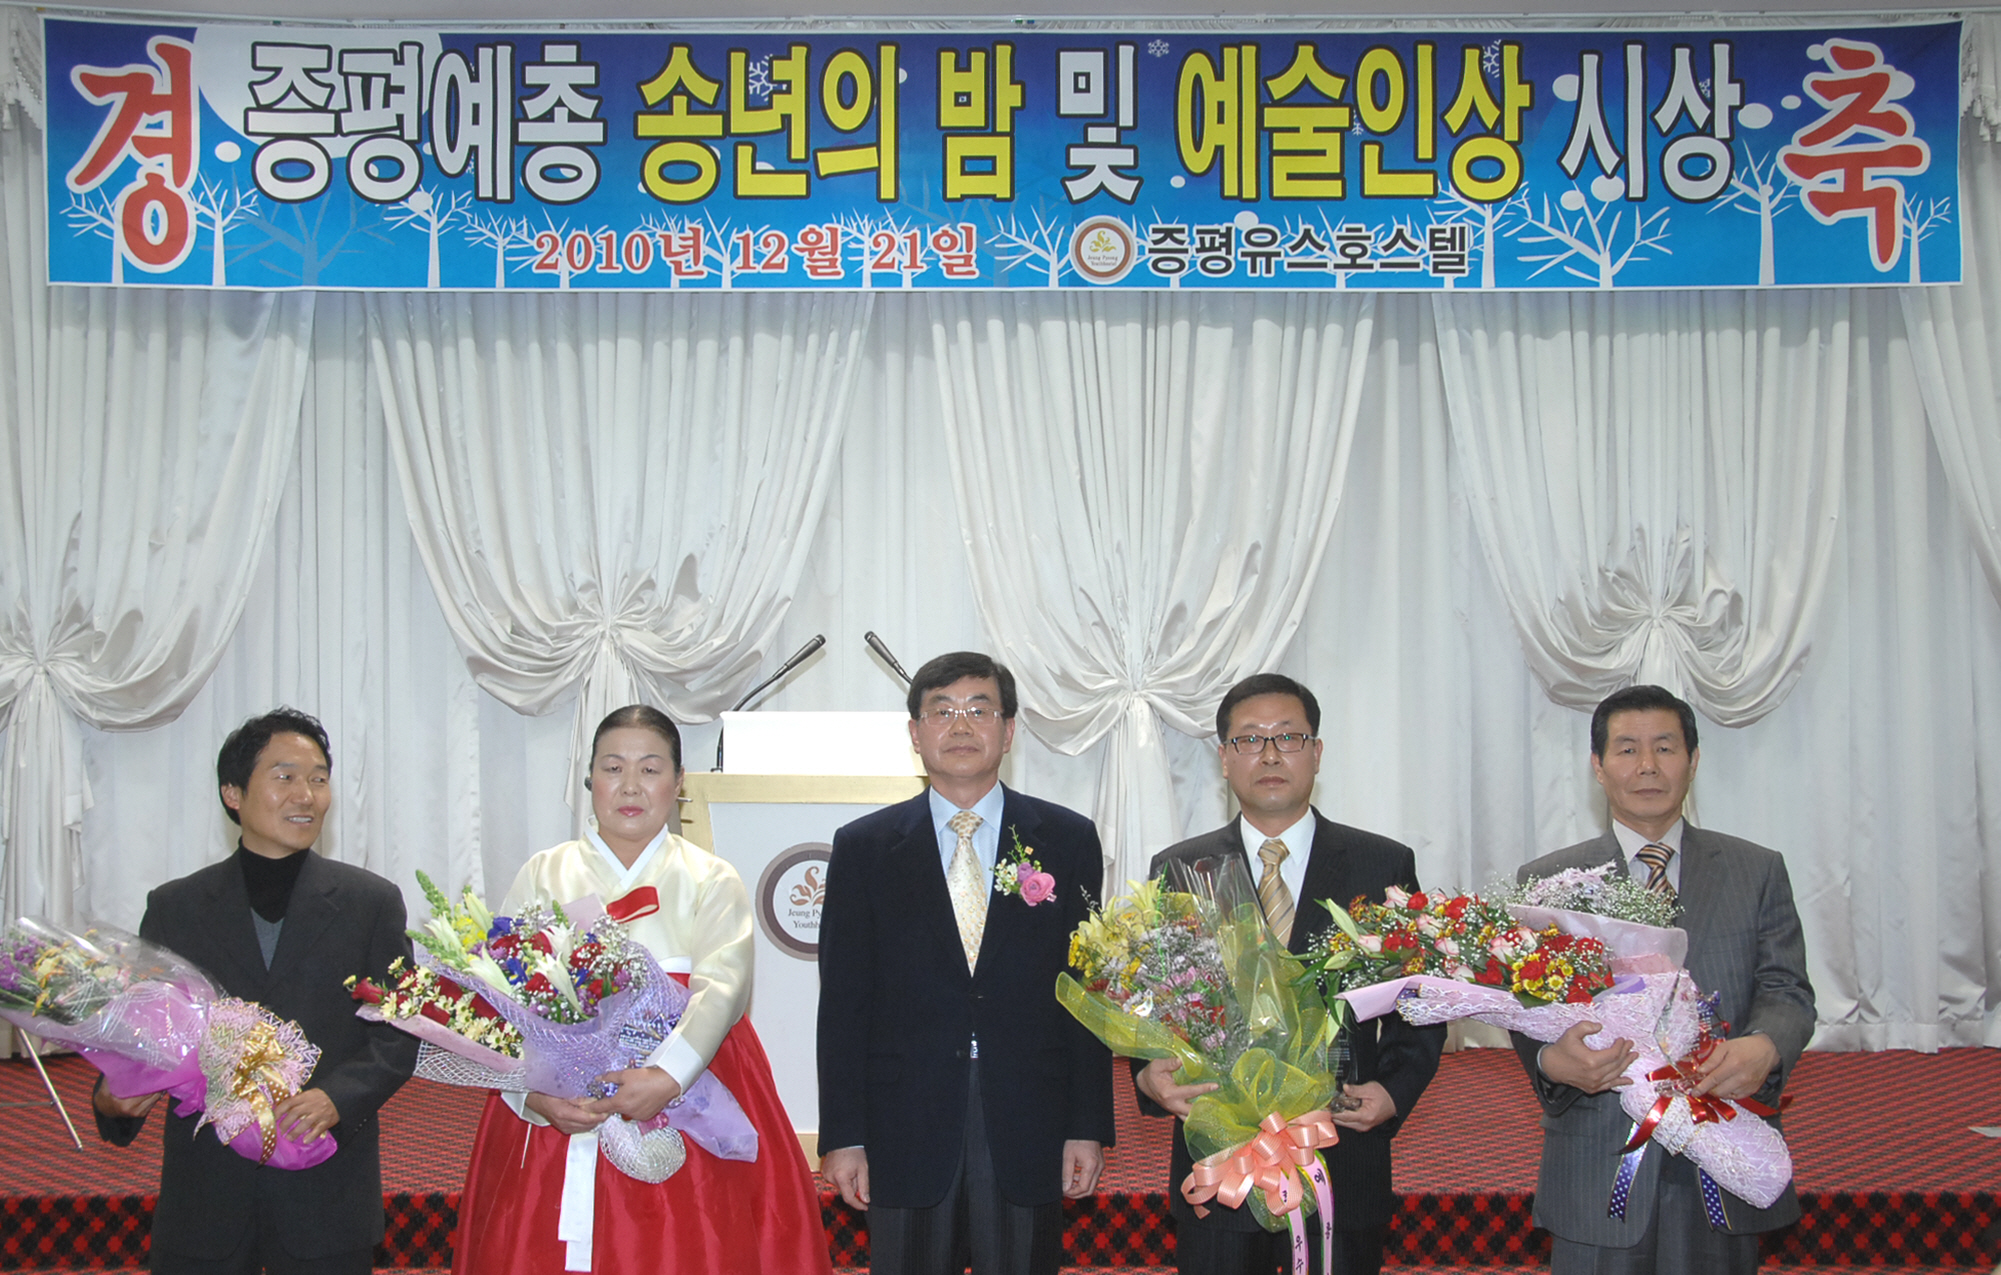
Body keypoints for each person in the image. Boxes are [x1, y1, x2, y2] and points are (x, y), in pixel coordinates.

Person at [451, 704, 832, 1275]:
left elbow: (723, 988)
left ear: (679, 783)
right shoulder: (543, 872)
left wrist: (667, 1077)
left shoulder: (710, 877)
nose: (630, 786)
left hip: (692, 1089)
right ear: (589, 779)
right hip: (562, 1108)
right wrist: (535, 1096)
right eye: (613, 768)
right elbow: (504, 1000)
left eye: (650, 769)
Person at [816, 651, 1116, 1275]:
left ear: (1008, 731)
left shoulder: (1067, 839)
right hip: (904, 1122)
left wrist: (1086, 1124)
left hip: (1029, 1117)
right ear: (914, 733)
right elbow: (844, 1004)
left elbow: (1087, 994)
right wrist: (843, 1135)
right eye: (941, 711)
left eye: (980, 710)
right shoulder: (864, 847)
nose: (960, 726)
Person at [1137, 673, 1445, 1275]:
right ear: (1224, 758)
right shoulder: (1180, 869)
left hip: (1341, 1149)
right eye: (1250, 739)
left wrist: (1394, 1089)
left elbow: (1421, 1000)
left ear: (1317, 752)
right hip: (1220, 1158)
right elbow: (1150, 1001)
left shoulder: (1380, 864)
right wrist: (1148, 1075)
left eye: (1289, 737)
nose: (1271, 754)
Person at [91, 708, 418, 1275]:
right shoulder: (174, 907)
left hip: (324, 1186)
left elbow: (399, 1030)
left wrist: (337, 1098)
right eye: (285, 776)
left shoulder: (371, 902)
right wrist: (112, 1100)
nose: (307, 795)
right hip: (207, 1194)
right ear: (233, 793)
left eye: (319, 779)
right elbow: (144, 1034)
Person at [1513, 684, 1814, 1275]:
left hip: (1722, 1149)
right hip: (1597, 1162)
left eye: (1665, 748)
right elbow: (1524, 1006)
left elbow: (1788, 990)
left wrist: (1765, 1046)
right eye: (1627, 749)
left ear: (1693, 760)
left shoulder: (1756, 870)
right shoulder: (1549, 881)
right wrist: (1552, 1061)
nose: (1647, 765)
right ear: (1598, 766)